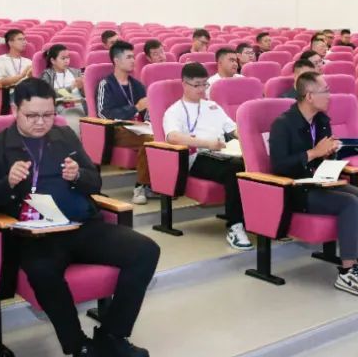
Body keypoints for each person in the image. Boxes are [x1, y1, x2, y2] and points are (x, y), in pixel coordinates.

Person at [0, 78, 160, 357]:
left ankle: (112, 336)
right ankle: (79, 348)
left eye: (48, 115)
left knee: (146, 250)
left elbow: (95, 182)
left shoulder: (64, 135)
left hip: (81, 226)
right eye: (32, 116)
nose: (41, 122)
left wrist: (77, 176)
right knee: (42, 270)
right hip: (37, 235)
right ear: (15, 110)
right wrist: (8, 183)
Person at [269, 72, 358, 296]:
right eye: (325, 91)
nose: (329, 95)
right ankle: (347, 271)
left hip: (322, 181)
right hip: (295, 188)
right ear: (309, 96)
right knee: (349, 203)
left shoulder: (322, 121)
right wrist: (314, 153)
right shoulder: (282, 124)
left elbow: (323, 158)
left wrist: (330, 153)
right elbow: (279, 166)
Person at [163, 63, 252, 251]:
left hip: (222, 153)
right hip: (198, 157)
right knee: (235, 168)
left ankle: (257, 220)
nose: (202, 89)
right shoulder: (175, 110)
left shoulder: (212, 106)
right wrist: (207, 143)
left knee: (251, 164)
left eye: (205, 84)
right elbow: (172, 137)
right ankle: (235, 227)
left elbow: (232, 129)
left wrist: (248, 138)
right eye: (197, 85)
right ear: (184, 84)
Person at [95, 42, 154, 205]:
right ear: (116, 60)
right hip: (116, 130)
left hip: (139, 129)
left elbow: (147, 110)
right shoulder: (106, 84)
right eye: (129, 57)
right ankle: (140, 187)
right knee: (150, 141)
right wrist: (134, 108)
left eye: (133, 57)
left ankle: (151, 184)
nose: (133, 60)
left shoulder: (137, 85)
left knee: (158, 138)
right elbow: (103, 114)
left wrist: (147, 121)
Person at [40, 44, 85, 117]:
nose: (67, 61)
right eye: (63, 58)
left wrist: (84, 86)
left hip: (79, 105)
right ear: (53, 61)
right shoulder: (47, 75)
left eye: (68, 58)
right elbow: (47, 94)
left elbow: (85, 95)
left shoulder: (76, 72)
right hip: (59, 108)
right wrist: (71, 88)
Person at [0, 29, 33, 95]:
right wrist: (21, 76)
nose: (24, 42)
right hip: (8, 94)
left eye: (24, 39)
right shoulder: (1, 59)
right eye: (20, 39)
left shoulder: (28, 61)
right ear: (10, 42)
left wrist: (31, 76)